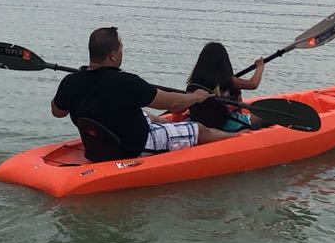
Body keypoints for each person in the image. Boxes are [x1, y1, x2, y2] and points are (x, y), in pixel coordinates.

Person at [51, 27, 236, 162]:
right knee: (200, 129)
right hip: (134, 146)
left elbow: (57, 112)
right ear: (113, 55)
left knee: (148, 115)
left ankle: (171, 126)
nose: (123, 52)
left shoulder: (71, 81)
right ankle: (240, 140)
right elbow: (172, 104)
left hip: (100, 143)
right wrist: (196, 97)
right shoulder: (127, 82)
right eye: (121, 49)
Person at [185, 42, 265, 132]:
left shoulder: (194, 82)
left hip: (202, 121)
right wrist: (260, 67)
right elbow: (253, 84)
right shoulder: (226, 80)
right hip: (224, 123)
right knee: (264, 120)